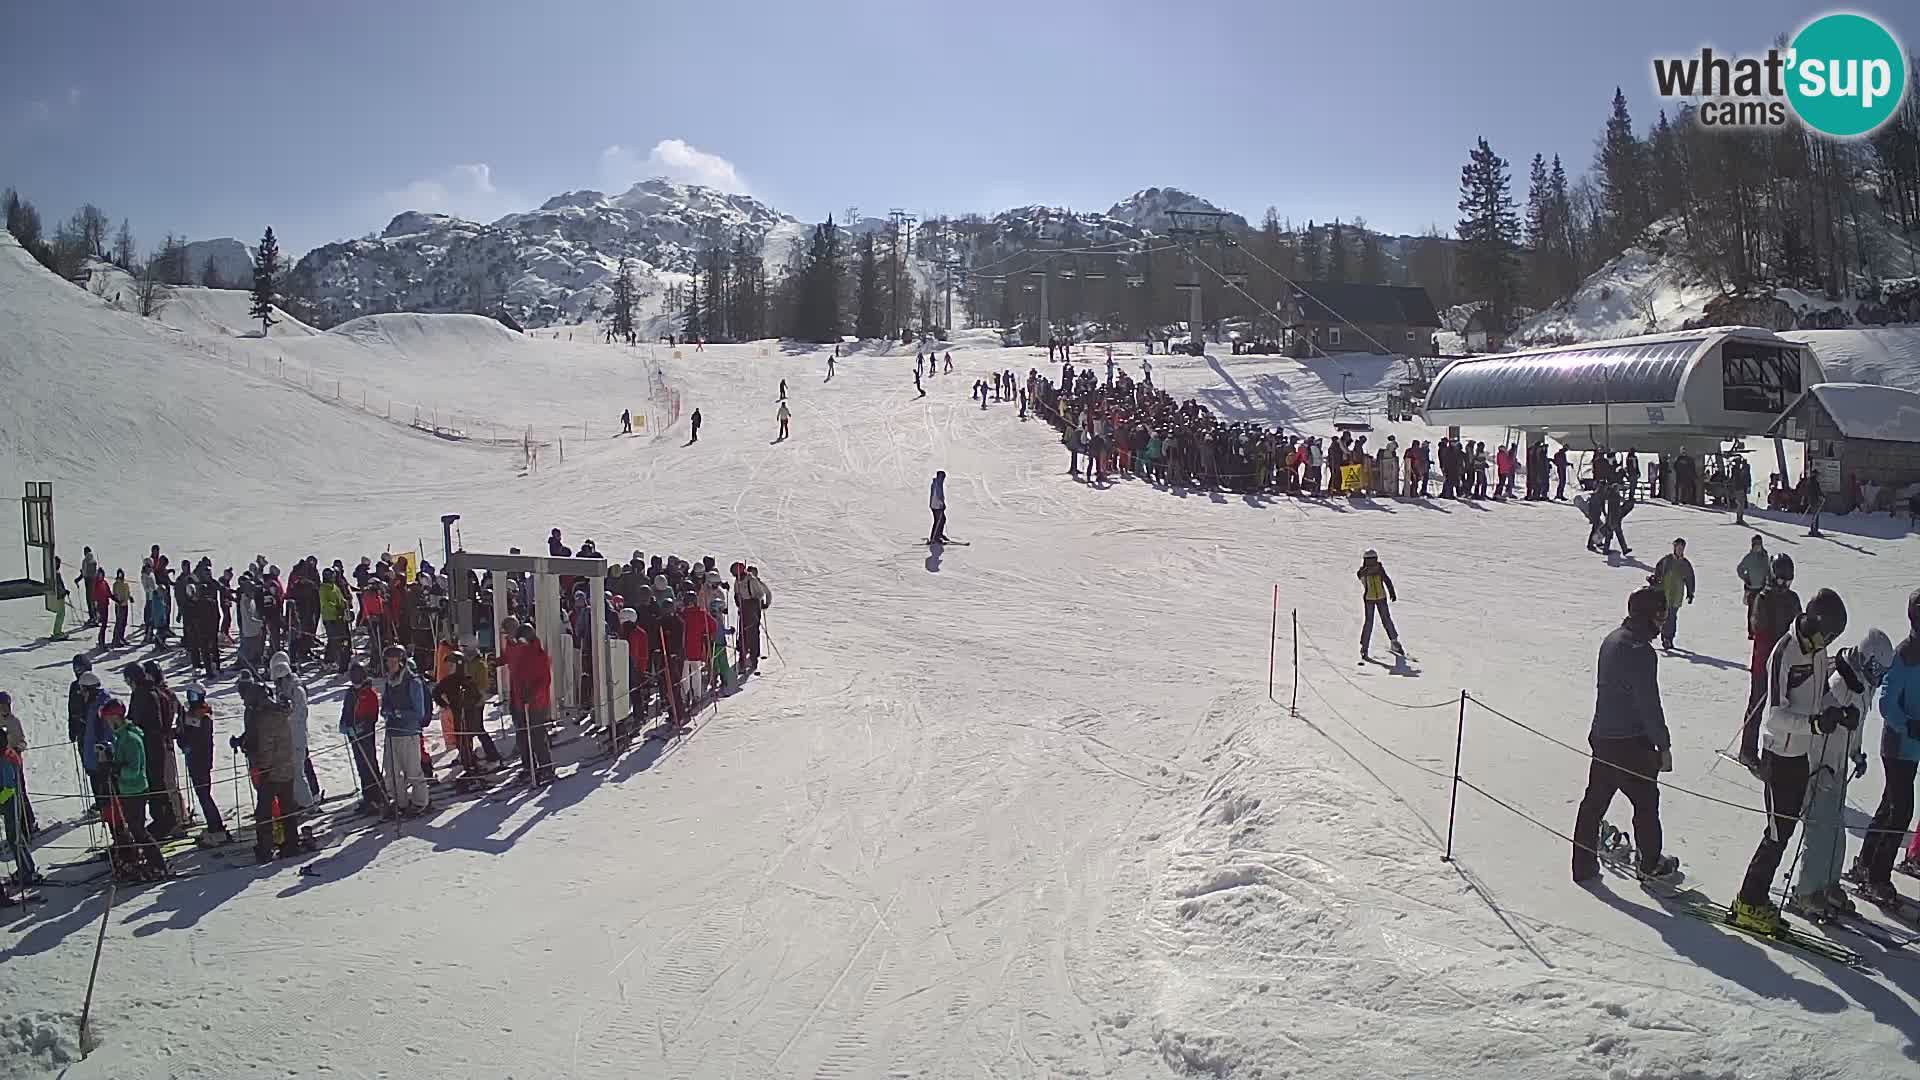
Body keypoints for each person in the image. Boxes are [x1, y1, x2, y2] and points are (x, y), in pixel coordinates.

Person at [1730, 587, 1849, 934]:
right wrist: (1813, 724)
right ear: (1813, 621)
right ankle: (1748, 901)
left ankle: (1758, 897)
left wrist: (1838, 712)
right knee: (1776, 832)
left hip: (1801, 755)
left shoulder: (1816, 649)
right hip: (1779, 754)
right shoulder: (1784, 652)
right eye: (1827, 633)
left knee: (1786, 830)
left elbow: (1820, 692)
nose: (1828, 640)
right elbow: (1775, 716)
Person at [1572, 587, 1680, 883]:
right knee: (1646, 804)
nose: (1663, 622)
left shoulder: (1612, 639)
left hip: (1603, 735)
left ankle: (1582, 866)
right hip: (1631, 742)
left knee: (1594, 803)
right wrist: (1664, 744)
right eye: (1661, 615)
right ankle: (1650, 865)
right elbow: (1649, 702)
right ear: (1648, 616)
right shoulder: (1640, 651)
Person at [1789, 629, 1892, 918]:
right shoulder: (1839, 685)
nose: (1878, 676)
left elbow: (1855, 727)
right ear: (1864, 659)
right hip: (1819, 765)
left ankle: (1828, 884)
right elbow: (1821, 725)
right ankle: (1806, 891)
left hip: (1837, 764)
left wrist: (1856, 753)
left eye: (1882, 671)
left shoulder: (1861, 685)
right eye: (1875, 669)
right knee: (1819, 832)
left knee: (1836, 830)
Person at [1852, 590, 1920, 902]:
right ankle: (1877, 876)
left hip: (1913, 748)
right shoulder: (1904, 655)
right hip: (1898, 747)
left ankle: (1866, 863)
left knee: (1889, 806)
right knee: (1900, 811)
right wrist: (1908, 725)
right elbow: (1886, 703)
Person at [1742, 554, 1802, 772]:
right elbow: (1759, 629)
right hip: (1764, 662)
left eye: (1788, 581)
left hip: (1787, 665)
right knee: (1757, 705)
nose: (1784, 585)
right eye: (1780, 580)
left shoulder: (1793, 599)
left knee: (1782, 711)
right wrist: (1776, 651)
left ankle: (1776, 753)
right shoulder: (1763, 599)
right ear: (1771, 577)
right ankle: (1747, 751)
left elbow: (1799, 625)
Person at [99, 697, 166, 880]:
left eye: (108, 719)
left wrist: (117, 769)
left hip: (135, 789)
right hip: (127, 789)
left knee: (139, 831)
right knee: (134, 829)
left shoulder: (130, 738)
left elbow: (135, 769)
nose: (107, 723)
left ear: (116, 717)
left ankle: (158, 864)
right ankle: (145, 861)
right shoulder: (121, 737)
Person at [496, 626, 556, 785]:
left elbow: (545, 680)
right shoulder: (518, 650)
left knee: (537, 736)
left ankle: (546, 768)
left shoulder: (539, 655)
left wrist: (533, 694)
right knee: (522, 736)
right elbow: (511, 662)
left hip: (535, 703)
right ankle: (528, 767)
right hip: (519, 700)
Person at [433, 649, 501, 785]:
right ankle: (468, 765)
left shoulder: (466, 681)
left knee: (466, 740)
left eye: (452, 665)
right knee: (461, 741)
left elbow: (476, 697)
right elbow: (436, 692)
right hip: (458, 716)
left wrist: (465, 703)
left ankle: (471, 767)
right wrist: (445, 703)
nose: (450, 668)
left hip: (467, 716)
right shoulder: (448, 681)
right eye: (449, 666)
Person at [379, 644, 430, 814]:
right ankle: (400, 802)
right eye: (388, 661)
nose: (390, 665)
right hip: (392, 732)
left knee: (413, 771)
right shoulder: (389, 681)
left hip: (408, 733)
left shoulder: (412, 681)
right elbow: (385, 703)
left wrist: (400, 713)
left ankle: (420, 802)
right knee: (391, 772)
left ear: (401, 661)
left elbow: (419, 712)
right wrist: (386, 711)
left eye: (394, 661)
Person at [176, 682, 229, 847]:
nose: (191, 699)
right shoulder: (191, 715)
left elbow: (197, 738)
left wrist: (185, 739)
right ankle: (213, 825)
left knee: (204, 794)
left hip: (201, 760)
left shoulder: (203, 716)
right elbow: (185, 734)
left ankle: (217, 828)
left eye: (194, 696)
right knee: (202, 794)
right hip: (195, 759)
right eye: (189, 695)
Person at [1355, 549, 1403, 661]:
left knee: (1384, 620)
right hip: (1370, 599)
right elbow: (1360, 575)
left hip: (1380, 598)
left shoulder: (1379, 569)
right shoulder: (1364, 571)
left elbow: (1386, 580)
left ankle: (1394, 642)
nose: (1371, 563)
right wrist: (1366, 570)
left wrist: (1392, 592)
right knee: (1370, 622)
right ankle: (1365, 647)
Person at [1649, 538, 1695, 650]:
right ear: (1674, 547)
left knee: (1672, 617)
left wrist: (1690, 592)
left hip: (1677, 594)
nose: (1680, 550)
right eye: (1678, 547)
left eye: (1682, 548)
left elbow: (1690, 579)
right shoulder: (1666, 560)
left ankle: (1669, 638)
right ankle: (1664, 637)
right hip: (1664, 593)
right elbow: (1658, 573)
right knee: (1664, 615)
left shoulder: (1685, 564)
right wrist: (1654, 584)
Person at [1735, 535, 1770, 610]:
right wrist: (1746, 578)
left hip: (1762, 589)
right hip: (1751, 589)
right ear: (1752, 545)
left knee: (1762, 610)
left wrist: (1767, 580)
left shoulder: (1764, 556)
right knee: (1752, 611)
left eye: (1759, 544)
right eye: (1755, 544)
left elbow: (1768, 570)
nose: (1757, 546)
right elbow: (1740, 569)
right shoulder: (1749, 557)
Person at [929, 470, 950, 545]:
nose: (944, 478)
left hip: (936, 505)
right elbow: (938, 495)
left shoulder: (936, 483)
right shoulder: (938, 484)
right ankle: (934, 538)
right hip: (937, 506)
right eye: (943, 477)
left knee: (942, 520)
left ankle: (939, 534)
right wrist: (942, 504)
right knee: (938, 521)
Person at [1803, 470, 1825, 536]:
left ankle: (1813, 530)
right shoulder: (1814, 482)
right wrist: (1822, 495)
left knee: (1814, 516)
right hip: (1814, 500)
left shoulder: (1809, 482)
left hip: (1811, 500)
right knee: (1815, 516)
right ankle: (1814, 531)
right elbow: (1817, 491)